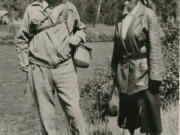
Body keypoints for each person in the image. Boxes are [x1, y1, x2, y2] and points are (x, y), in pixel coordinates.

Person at [16, 0, 87, 135]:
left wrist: (78, 37)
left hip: (65, 67)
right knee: (46, 117)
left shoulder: (69, 7)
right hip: (39, 68)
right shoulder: (32, 9)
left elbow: (81, 29)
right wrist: (25, 65)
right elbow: (21, 39)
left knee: (74, 113)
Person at [111, 0, 164, 135]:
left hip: (144, 77)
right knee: (130, 122)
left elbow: (155, 48)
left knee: (148, 123)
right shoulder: (120, 17)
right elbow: (117, 49)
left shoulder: (148, 15)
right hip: (124, 76)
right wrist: (114, 74)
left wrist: (155, 77)